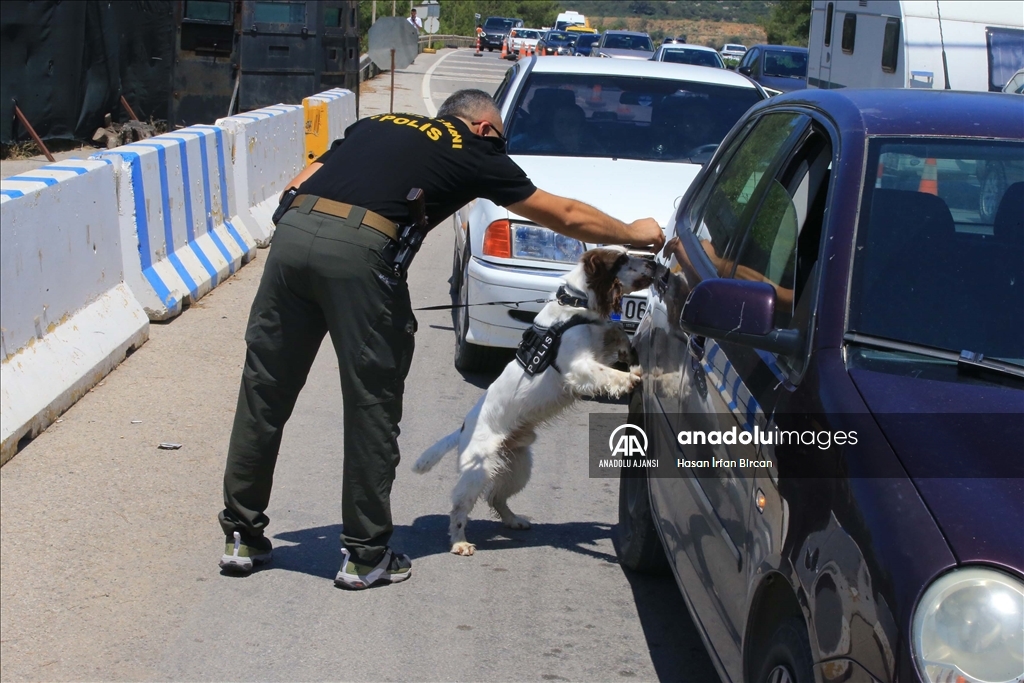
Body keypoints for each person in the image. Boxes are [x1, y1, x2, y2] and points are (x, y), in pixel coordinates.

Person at [217, 89, 664, 589]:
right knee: (371, 405)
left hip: (292, 236)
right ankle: (365, 554)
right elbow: (565, 215)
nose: (499, 149)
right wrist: (633, 233)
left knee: (265, 391)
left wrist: (309, 234)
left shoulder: (378, 124)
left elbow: (298, 182)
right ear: (483, 128)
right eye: (499, 140)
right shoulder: (474, 150)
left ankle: (241, 536)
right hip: (362, 251)